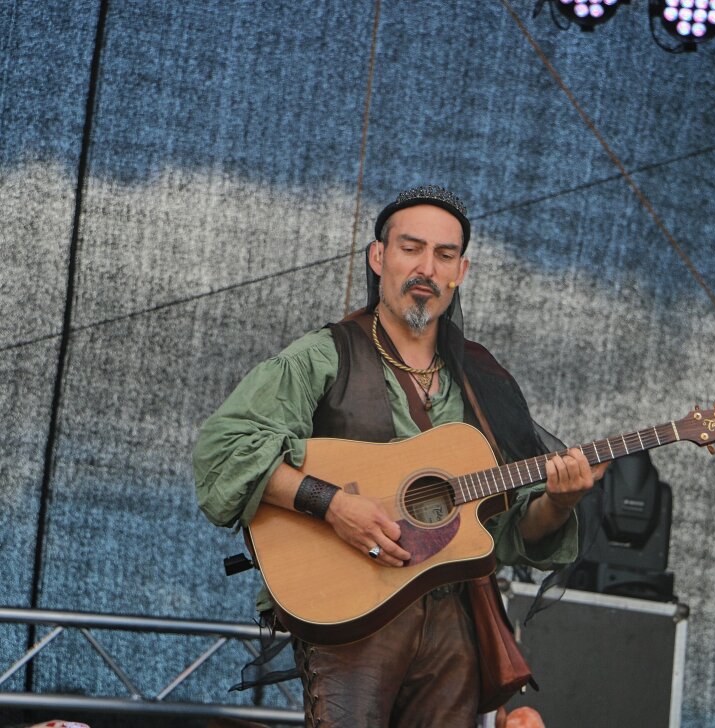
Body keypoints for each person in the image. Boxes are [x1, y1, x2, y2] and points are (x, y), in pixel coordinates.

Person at [193, 185, 608, 727]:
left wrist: (559, 500)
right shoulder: (327, 353)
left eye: (444, 255)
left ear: (461, 271)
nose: (426, 269)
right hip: (352, 614)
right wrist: (331, 503)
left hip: (455, 620)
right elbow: (224, 449)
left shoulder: (482, 381)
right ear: (378, 257)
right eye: (411, 248)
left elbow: (509, 530)